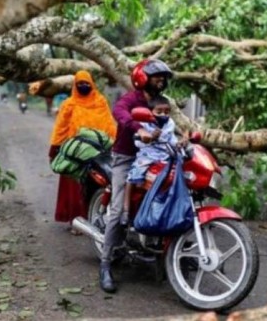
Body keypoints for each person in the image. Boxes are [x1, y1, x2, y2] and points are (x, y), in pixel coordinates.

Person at [99, 58, 173, 293]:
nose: (161, 80)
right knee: (118, 209)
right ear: (142, 77)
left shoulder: (163, 102)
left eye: (163, 77)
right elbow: (119, 111)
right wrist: (137, 127)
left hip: (155, 156)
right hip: (127, 158)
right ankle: (106, 264)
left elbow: (171, 124)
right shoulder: (132, 99)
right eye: (156, 76)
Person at [49, 70, 117, 233]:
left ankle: (97, 220)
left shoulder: (100, 102)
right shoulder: (69, 104)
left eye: (86, 83)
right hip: (76, 154)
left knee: (97, 186)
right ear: (75, 85)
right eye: (80, 84)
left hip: (98, 153)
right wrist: (55, 148)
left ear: (92, 84)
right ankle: (76, 221)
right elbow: (61, 128)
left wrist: (113, 144)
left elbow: (109, 125)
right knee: (74, 189)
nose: (83, 86)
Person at [121, 95, 178, 226]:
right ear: (150, 112)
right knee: (132, 176)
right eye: (159, 112)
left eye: (167, 112)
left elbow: (172, 140)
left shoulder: (170, 124)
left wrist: (180, 144)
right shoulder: (143, 124)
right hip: (147, 156)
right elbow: (137, 142)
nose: (163, 114)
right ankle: (126, 210)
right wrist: (150, 137)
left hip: (165, 157)